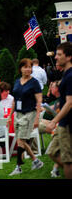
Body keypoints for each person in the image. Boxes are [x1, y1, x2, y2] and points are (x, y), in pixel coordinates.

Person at [8, 58, 44, 176]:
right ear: (20, 69)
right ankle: (36, 161)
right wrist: (9, 115)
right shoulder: (17, 81)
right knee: (20, 140)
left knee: (21, 140)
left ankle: (18, 166)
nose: (28, 69)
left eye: (30, 67)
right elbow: (14, 99)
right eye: (25, 67)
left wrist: (37, 118)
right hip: (18, 113)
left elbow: (39, 101)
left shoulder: (34, 83)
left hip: (29, 113)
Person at [46, 42, 72, 179]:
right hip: (62, 123)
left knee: (67, 161)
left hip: (67, 123)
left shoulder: (70, 76)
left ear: (69, 57)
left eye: (59, 55)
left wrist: (53, 121)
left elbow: (70, 103)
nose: (56, 57)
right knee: (52, 152)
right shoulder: (66, 74)